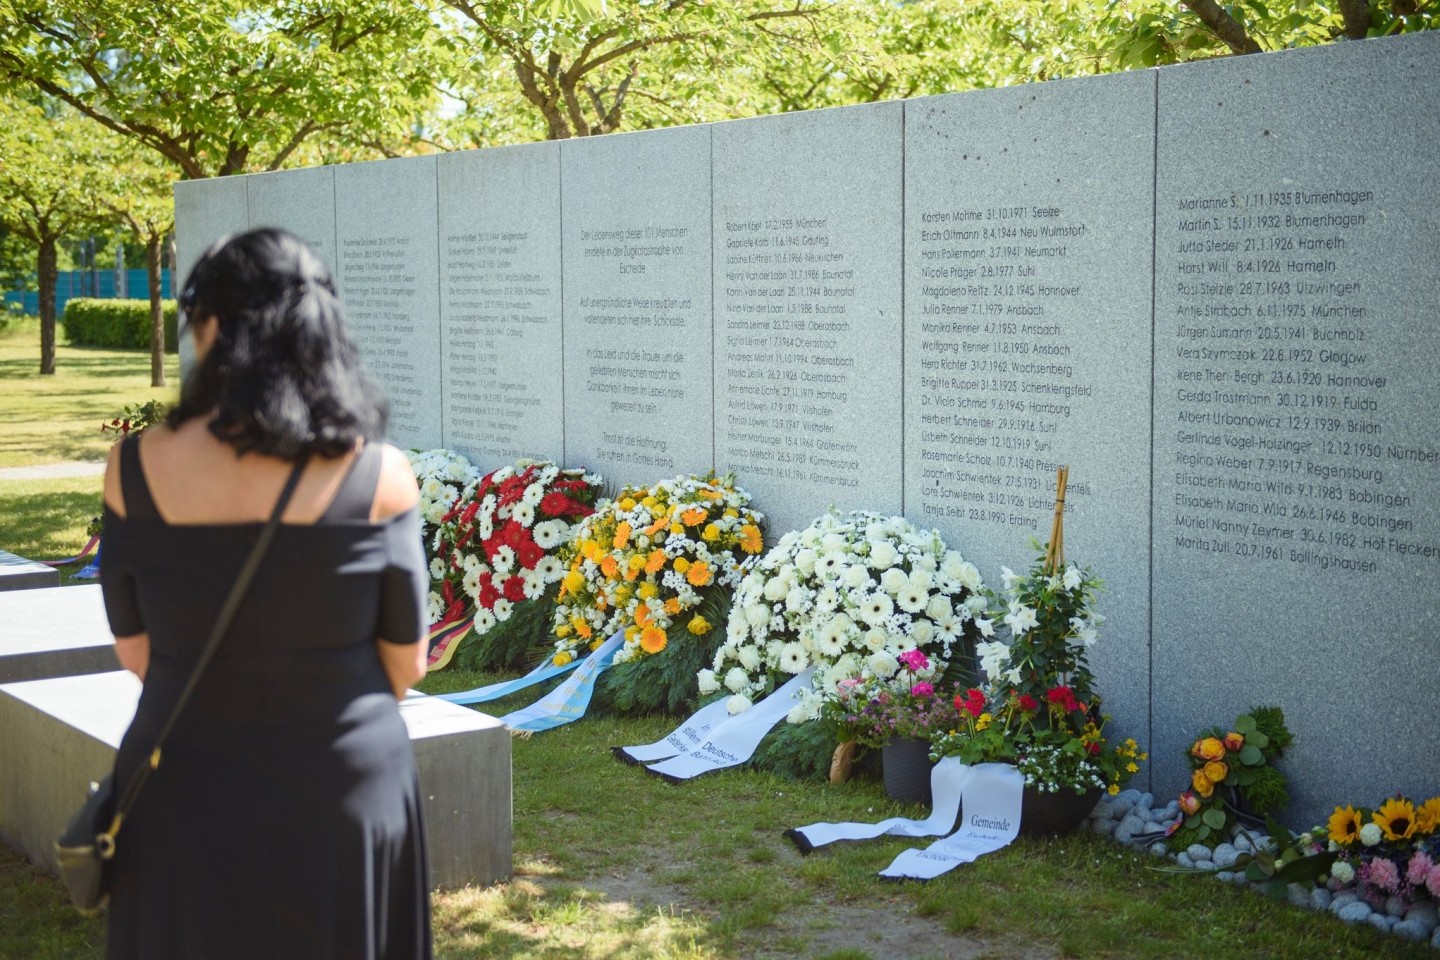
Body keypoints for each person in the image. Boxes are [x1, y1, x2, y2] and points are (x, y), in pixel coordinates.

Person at [99, 228, 432, 959]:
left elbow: (135, 650)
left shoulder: (130, 469)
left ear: (215, 325)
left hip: (181, 781)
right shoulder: (381, 476)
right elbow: (407, 664)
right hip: (342, 787)